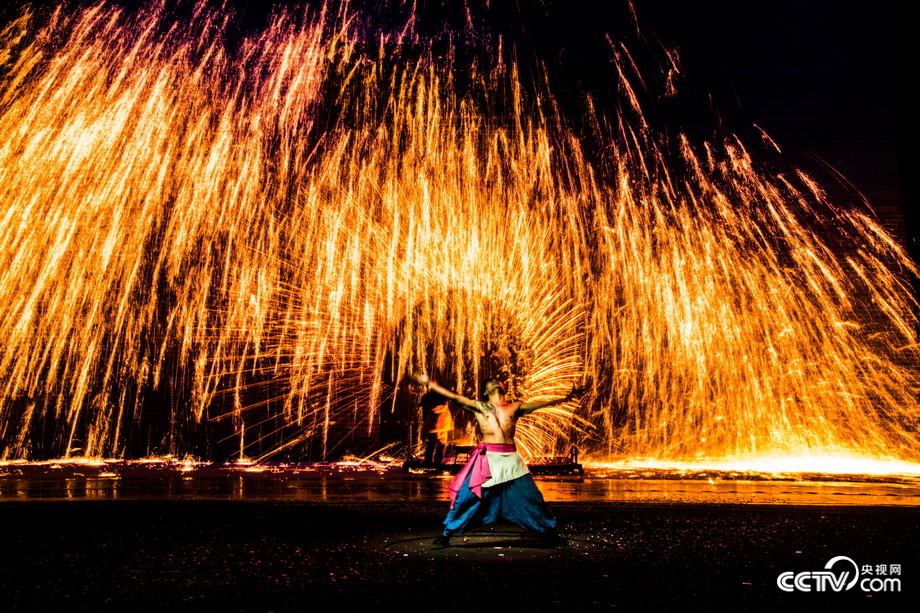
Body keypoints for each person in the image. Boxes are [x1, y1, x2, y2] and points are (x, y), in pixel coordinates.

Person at [411, 373, 585, 548]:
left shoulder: (515, 407)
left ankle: (551, 534)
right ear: (485, 392)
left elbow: (542, 404)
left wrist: (567, 398)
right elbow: (453, 396)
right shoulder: (479, 406)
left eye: (497, 381)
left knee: (532, 499)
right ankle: (446, 535)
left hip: (512, 461)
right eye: (489, 382)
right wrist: (430, 384)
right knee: (466, 499)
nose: (494, 381)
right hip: (488, 460)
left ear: (504, 388)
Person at [420, 389, 453, 465]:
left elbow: (424, 413)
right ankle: (438, 461)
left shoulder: (427, 399)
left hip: (433, 424)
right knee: (441, 444)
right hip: (443, 424)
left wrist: (425, 420)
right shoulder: (443, 400)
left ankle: (428, 461)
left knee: (431, 443)